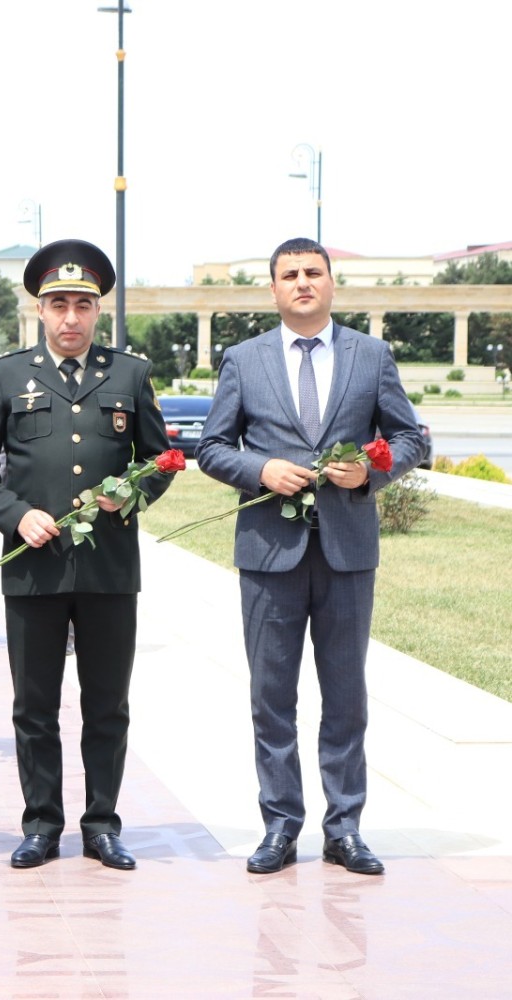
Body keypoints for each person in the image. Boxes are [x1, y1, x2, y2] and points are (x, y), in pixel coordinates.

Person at [196, 237, 425, 877]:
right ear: (273, 289)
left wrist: (371, 474)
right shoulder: (244, 359)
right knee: (272, 696)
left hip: (348, 552)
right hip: (269, 553)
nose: (302, 282)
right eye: (289, 274)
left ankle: (344, 828)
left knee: (346, 695)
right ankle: (279, 825)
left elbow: (408, 437)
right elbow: (212, 447)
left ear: (331, 283)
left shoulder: (371, 356)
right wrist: (260, 469)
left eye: (313, 272)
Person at [0, 239, 172, 872]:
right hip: (33, 567)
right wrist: (15, 514)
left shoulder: (129, 374)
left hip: (109, 568)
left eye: (83, 304)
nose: (71, 318)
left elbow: (159, 460)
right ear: (40, 311)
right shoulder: (7, 375)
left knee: (108, 704)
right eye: (59, 305)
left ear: (97, 311)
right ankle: (41, 823)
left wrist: (129, 495)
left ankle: (103, 823)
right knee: (35, 705)